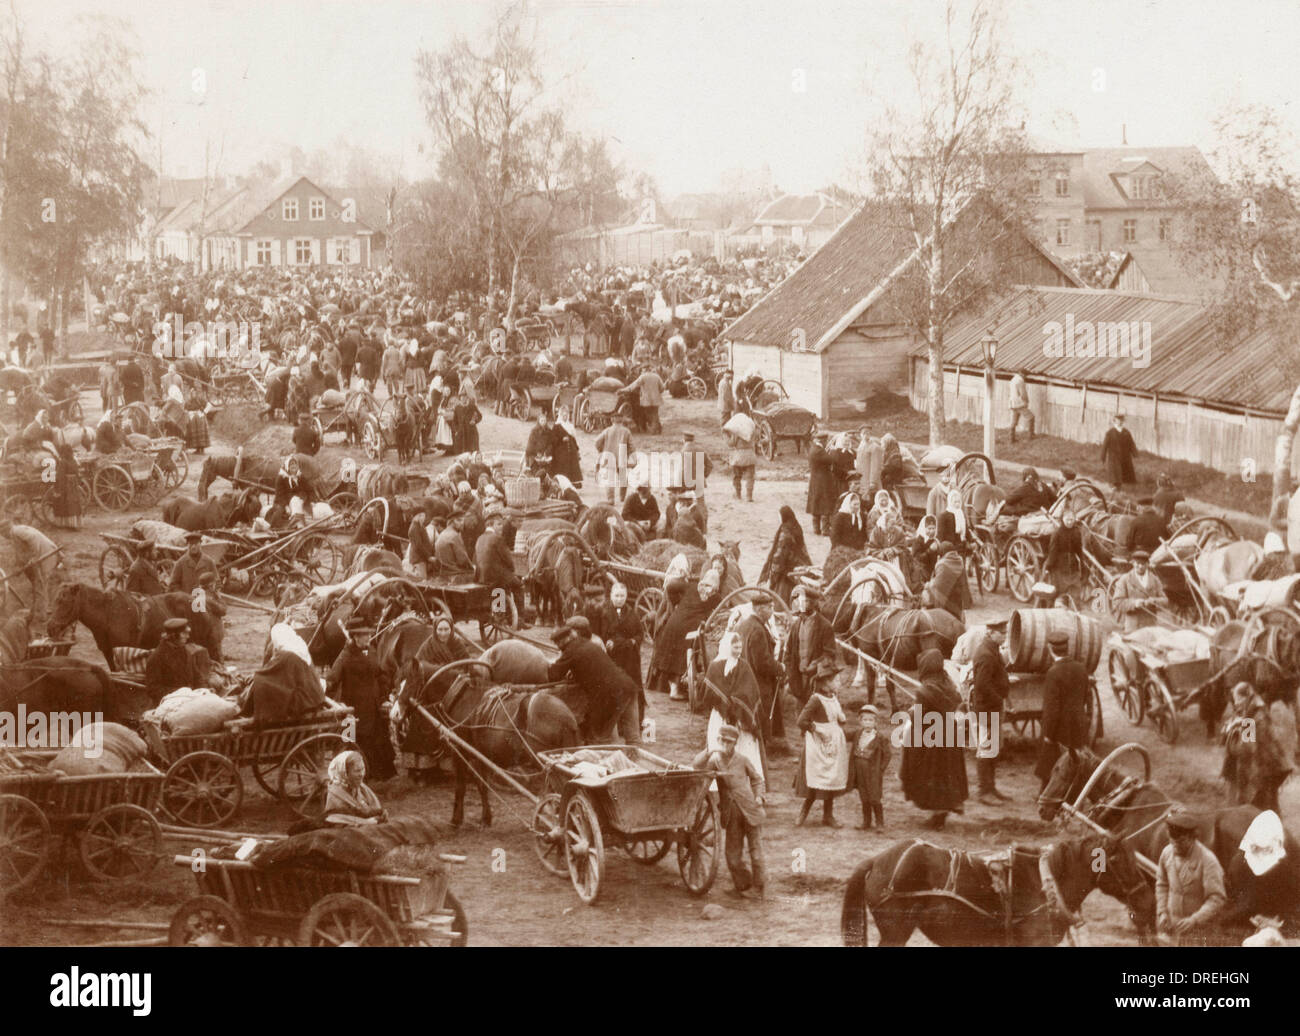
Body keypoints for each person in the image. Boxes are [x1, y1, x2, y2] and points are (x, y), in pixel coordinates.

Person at [693, 724, 766, 898]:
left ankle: (759, 886)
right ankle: (742, 885)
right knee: (732, 854)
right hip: (731, 814)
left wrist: (759, 797)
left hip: (750, 809)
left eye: (729, 741)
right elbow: (697, 767)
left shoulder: (742, 760)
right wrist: (709, 750)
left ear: (735, 743)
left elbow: (757, 780)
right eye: (722, 740)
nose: (725, 744)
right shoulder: (715, 761)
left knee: (756, 851)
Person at [899, 648, 968, 829]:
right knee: (946, 775)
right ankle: (944, 812)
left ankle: (937, 818)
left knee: (929, 775)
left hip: (931, 742)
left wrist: (911, 712)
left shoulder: (924, 691)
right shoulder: (949, 685)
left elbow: (920, 719)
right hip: (950, 738)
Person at [327, 617, 396, 780]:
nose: (368, 637)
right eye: (364, 635)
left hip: (373, 707)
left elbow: (380, 674)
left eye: (368, 634)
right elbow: (332, 680)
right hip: (353, 709)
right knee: (349, 741)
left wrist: (385, 696)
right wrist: (336, 703)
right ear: (355, 637)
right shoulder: (345, 656)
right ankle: (349, 774)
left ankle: (378, 774)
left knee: (377, 738)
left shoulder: (371, 651)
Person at [549, 618, 639, 743]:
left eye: (558, 645)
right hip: (628, 686)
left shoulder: (570, 651)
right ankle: (635, 760)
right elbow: (592, 666)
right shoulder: (587, 643)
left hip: (611, 695)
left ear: (562, 642)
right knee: (633, 738)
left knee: (599, 738)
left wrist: (547, 666)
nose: (559, 648)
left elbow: (553, 675)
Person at [1222, 681, 1297, 812]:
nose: (1236, 704)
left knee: (1259, 808)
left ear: (1246, 697)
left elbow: (1245, 748)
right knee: (1271, 805)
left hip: (1262, 772)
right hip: (1274, 766)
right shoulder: (1259, 710)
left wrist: (1231, 732)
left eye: (1238, 700)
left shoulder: (1249, 719)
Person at [1156, 806, 1226, 946]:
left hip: (1199, 933)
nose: (1175, 846)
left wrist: (1194, 920)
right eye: (1172, 840)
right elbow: (1162, 884)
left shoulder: (1208, 861)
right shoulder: (1167, 853)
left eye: (1181, 841)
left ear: (1192, 838)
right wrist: (1162, 912)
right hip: (1171, 930)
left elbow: (1217, 898)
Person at [794, 658, 849, 827]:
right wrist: (817, 730)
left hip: (833, 743)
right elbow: (801, 721)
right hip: (819, 745)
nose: (838, 682)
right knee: (816, 777)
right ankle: (803, 812)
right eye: (835, 680)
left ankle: (828, 815)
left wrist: (839, 723)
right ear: (825, 684)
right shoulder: (816, 700)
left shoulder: (833, 697)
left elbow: (838, 717)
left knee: (831, 778)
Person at [1034, 631, 1091, 788]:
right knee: (1076, 761)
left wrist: (1048, 734)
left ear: (1050, 649)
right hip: (1078, 725)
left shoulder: (1053, 673)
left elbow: (1052, 709)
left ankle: (1046, 796)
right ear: (1068, 648)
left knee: (1051, 765)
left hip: (1060, 728)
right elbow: (1086, 696)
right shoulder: (1081, 668)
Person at [737, 596, 786, 754]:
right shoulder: (758, 629)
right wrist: (780, 667)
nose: (772, 611)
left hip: (744, 679)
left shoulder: (744, 625)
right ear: (759, 609)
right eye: (769, 607)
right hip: (758, 682)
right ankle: (759, 752)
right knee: (760, 716)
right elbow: (762, 663)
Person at [593, 581, 644, 726]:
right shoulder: (604, 612)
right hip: (612, 657)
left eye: (622, 596)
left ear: (626, 596)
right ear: (611, 596)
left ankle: (633, 722)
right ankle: (613, 723)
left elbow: (640, 633)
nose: (619, 599)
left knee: (632, 687)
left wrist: (634, 641)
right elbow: (598, 634)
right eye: (616, 596)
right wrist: (605, 642)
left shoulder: (632, 613)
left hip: (629, 658)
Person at [971, 620, 1010, 804]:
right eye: (1001, 633)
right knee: (986, 750)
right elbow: (982, 685)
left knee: (992, 750)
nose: (1005, 636)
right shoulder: (986, 654)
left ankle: (991, 788)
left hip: (991, 708)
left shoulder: (992, 650)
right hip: (987, 709)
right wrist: (999, 699)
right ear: (991, 633)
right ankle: (983, 791)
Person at [782, 585, 835, 705]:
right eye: (797, 600)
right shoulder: (796, 626)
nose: (799, 604)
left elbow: (830, 654)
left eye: (804, 601)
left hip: (817, 680)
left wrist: (814, 666)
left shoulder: (824, 626)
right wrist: (791, 673)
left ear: (813, 603)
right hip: (798, 679)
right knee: (801, 716)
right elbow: (788, 653)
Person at [0, 519, 58, 628]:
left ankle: (42, 617)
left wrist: (34, 556)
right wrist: (18, 567)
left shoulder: (17, 531)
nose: (3, 537)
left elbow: (33, 538)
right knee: (38, 585)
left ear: (5, 531)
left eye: (2, 534)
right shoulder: (15, 534)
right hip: (41, 555)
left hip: (45, 554)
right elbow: (20, 553)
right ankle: (40, 611)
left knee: (41, 585)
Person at [475, 512, 527, 628]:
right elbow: (508, 560)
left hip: (482, 577)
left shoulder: (480, 538)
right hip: (496, 576)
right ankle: (520, 620)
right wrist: (512, 570)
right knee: (518, 586)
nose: (501, 527)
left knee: (501, 588)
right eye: (498, 524)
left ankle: (502, 615)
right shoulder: (497, 539)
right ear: (491, 524)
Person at [143, 618, 210, 700]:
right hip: (171, 702)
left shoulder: (185, 651)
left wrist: (203, 690)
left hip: (191, 698)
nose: (188, 636)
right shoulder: (157, 658)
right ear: (173, 636)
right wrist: (181, 693)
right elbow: (153, 689)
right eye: (184, 634)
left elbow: (197, 676)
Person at [759, 505, 811, 606]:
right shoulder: (796, 526)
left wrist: (773, 574)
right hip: (798, 567)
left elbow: (780, 554)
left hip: (786, 572)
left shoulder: (785, 531)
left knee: (782, 601)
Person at [850, 704, 890, 830]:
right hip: (859, 769)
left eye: (871, 720)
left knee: (874, 797)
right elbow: (843, 735)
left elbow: (887, 755)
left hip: (873, 772)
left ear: (875, 722)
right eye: (865, 720)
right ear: (860, 721)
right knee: (864, 796)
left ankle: (880, 823)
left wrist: (880, 769)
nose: (868, 723)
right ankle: (866, 822)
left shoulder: (880, 737)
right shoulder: (857, 734)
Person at [324, 750, 388, 826]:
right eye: (357, 771)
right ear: (345, 773)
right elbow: (338, 821)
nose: (361, 774)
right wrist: (367, 822)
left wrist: (380, 813)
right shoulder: (335, 795)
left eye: (363, 769)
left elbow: (370, 809)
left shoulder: (362, 788)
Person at [1110, 550, 1167, 632]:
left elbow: (1165, 600)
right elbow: (1117, 602)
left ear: (1148, 564)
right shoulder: (1125, 579)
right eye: (1137, 563)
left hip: (1150, 628)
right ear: (1133, 563)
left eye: (1143, 564)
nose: (1140, 566)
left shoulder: (1154, 580)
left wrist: (1154, 601)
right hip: (1133, 627)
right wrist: (1135, 603)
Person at [1043, 509, 1086, 597]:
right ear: (1063, 519)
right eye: (1067, 520)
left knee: (1074, 588)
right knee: (1060, 590)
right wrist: (1048, 566)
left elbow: (1079, 551)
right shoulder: (1057, 533)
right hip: (1059, 565)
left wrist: (1082, 564)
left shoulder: (1076, 533)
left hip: (1072, 565)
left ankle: (1074, 605)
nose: (1070, 522)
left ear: (1074, 519)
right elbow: (1053, 552)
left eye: (1072, 519)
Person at [594, 413, 634, 505]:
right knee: (623, 477)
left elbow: (596, 442)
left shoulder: (607, 430)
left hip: (608, 457)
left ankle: (610, 499)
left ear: (612, 420)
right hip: (622, 456)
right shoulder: (626, 431)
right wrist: (630, 454)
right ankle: (622, 497)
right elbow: (632, 446)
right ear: (622, 420)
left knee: (609, 478)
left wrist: (601, 450)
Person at [921, 542, 967, 620]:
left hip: (947, 600)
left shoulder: (943, 564)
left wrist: (927, 585)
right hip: (957, 597)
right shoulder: (959, 561)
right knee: (956, 618)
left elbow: (937, 585)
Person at [806, 433, 837, 535]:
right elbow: (830, 460)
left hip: (815, 480)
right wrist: (833, 450)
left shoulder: (813, 449)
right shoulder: (819, 451)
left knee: (816, 503)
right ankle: (825, 529)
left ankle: (816, 528)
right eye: (825, 441)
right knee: (825, 503)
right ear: (822, 441)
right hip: (823, 480)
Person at [1100, 413, 1138, 489]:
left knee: (1124, 472)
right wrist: (1103, 456)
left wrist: (1135, 453)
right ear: (1115, 421)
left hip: (1124, 456)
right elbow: (1105, 445)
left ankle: (1122, 484)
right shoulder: (1110, 433)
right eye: (1118, 420)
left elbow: (1131, 443)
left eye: (1121, 420)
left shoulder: (1126, 432)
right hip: (1113, 456)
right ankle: (1114, 485)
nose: (1120, 422)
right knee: (1115, 472)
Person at [625, 365, 663, 433]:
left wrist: (623, 390)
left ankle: (654, 430)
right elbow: (662, 388)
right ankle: (658, 428)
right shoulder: (657, 376)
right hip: (656, 398)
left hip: (646, 399)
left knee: (649, 414)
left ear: (645, 370)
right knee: (655, 413)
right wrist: (658, 392)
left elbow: (633, 386)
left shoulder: (643, 377)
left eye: (642, 370)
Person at [727, 427, 757, 503]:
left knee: (737, 476)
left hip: (738, 456)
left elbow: (731, 444)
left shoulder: (736, 431)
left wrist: (726, 435)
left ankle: (738, 494)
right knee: (750, 477)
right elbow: (756, 440)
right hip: (750, 455)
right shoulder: (752, 430)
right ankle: (749, 496)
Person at [1009, 369, 1034, 442]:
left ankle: (1012, 438)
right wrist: (1026, 401)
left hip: (1012, 403)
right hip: (1019, 403)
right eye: (1025, 375)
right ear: (1022, 374)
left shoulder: (1013, 379)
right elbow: (1023, 393)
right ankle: (1031, 435)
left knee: (1014, 421)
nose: (1025, 377)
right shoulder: (1020, 381)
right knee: (1031, 417)